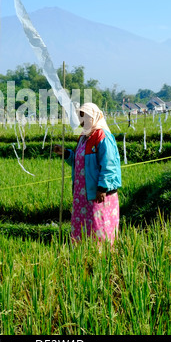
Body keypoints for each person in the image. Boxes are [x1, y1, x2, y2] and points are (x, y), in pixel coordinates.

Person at [54, 102, 121, 245]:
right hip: (81, 195)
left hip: (97, 193)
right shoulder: (84, 137)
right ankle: (81, 257)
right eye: (80, 117)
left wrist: (103, 188)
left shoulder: (102, 137)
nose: (82, 121)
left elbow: (109, 164)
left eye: (85, 117)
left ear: (94, 117)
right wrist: (65, 153)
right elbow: (80, 162)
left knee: (99, 227)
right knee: (82, 229)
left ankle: (102, 259)